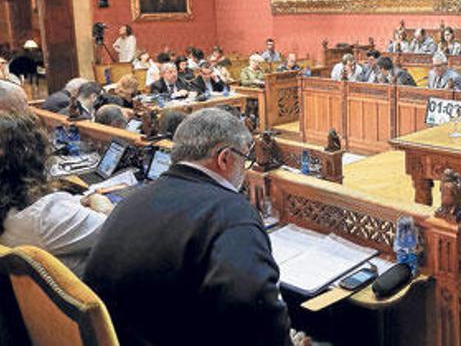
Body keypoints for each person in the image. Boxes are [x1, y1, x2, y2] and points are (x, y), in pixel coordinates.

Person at [83, 109, 297, 346]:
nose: (245, 169)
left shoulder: (132, 200)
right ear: (225, 158)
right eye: (245, 159)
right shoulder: (231, 210)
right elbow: (254, 306)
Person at [0, 112, 113, 277]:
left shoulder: (12, 207)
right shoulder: (43, 216)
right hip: (94, 291)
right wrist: (99, 200)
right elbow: (115, 231)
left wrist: (78, 200)